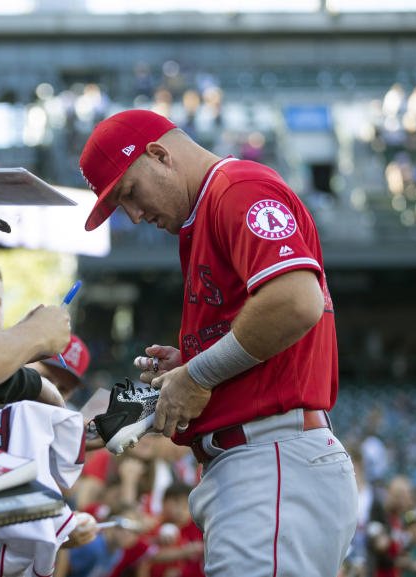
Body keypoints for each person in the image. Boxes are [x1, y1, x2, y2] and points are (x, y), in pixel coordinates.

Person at [80, 109, 357, 577]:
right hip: (260, 468)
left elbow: (295, 301)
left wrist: (198, 373)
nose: (134, 215)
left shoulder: (237, 187)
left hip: (271, 462)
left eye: (129, 193)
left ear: (159, 155)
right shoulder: (207, 211)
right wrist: (192, 363)